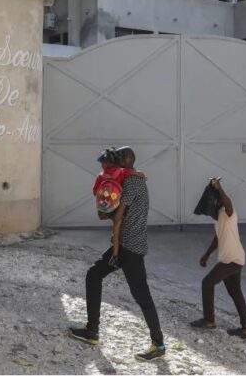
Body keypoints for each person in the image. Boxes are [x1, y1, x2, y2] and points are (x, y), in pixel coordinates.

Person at [69, 146, 167, 361]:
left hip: (129, 248)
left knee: (142, 296)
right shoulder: (132, 178)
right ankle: (92, 331)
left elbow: (117, 215)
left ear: (126, 159)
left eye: (118, 157)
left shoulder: (132, 182)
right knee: (94, 275)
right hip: (123, 245)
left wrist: (105, 210)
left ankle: (158, 345)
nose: (114, 161)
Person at [190, 178, 246, 339]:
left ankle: (209, 320)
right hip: (230, 259)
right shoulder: (218, 217)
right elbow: (218, 238)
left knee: (207, 283)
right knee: (235, 292)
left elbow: (228, 202)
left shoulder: (228, 212)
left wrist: (219, 188)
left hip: (232, 259)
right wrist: (207, 254)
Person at [92, 148, 146, 272]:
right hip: (116, 207)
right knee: (117, 226)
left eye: (103, 162)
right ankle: (115, 255)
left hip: (106, 208)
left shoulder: (101, 175)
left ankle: (115, 254)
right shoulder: (120, 172)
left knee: (116, 227)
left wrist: (104, 194)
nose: (102, 165)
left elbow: (95, 191)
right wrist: (142, 175)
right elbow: (135, 173)